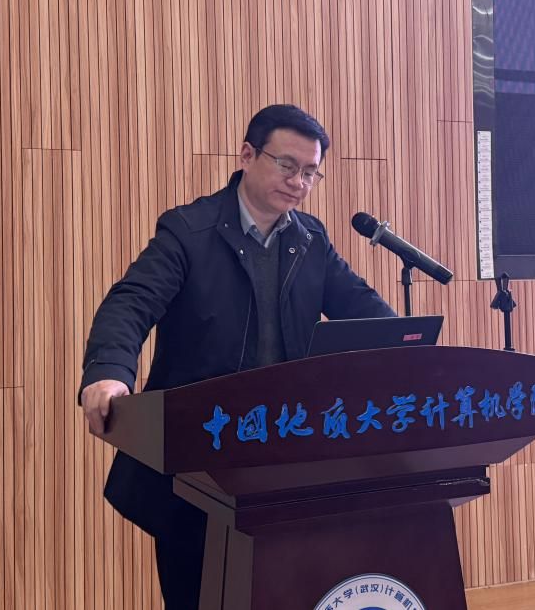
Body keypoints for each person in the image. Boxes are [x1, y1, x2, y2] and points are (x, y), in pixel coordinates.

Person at [78, 104, 395, 608]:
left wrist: (411, 355)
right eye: (287, 165)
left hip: (285, 453)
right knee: (199, 594)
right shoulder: (189, 231)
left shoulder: (309, 239)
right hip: (199, 454)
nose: (299, 183)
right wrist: (110, 371)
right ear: (247, 155)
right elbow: (130, 302)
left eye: (310, 172)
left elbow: (366, 313)